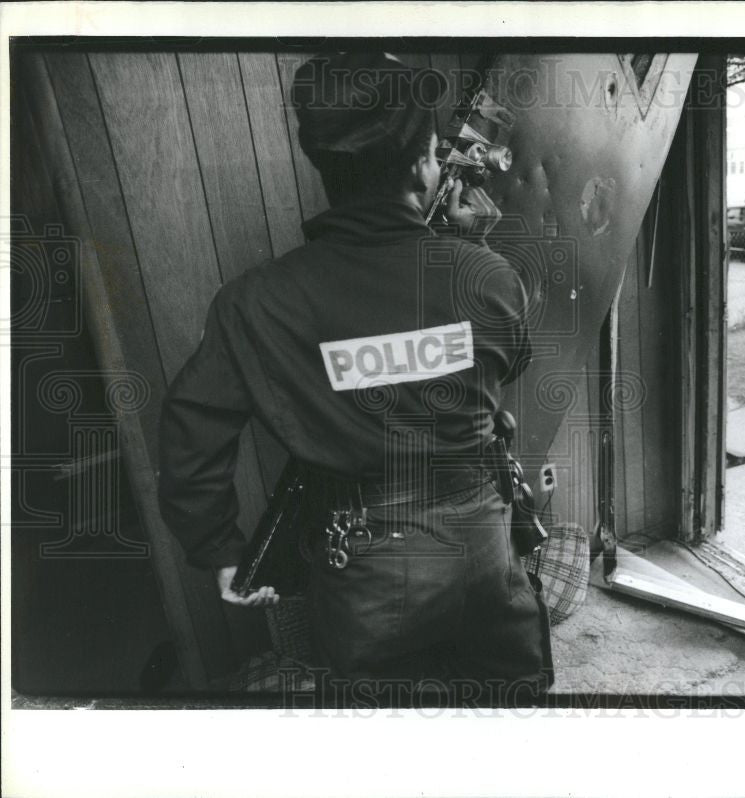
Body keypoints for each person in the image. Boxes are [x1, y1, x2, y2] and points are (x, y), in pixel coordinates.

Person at [157, 52, 552, 706]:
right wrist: (469, 253)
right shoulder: (487, 276)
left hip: (364, 571)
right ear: (426, 163)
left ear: (323, 164)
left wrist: (219, 547)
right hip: (484, 544)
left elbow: (190, 434)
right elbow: (513, 362)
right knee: (505, 709)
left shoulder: (257, 302)